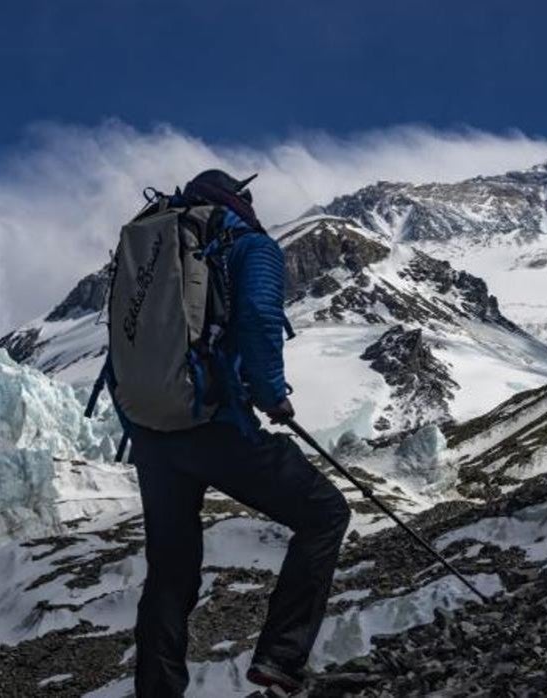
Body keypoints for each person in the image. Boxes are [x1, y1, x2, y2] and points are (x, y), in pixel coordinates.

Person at [129, 170, 351, 696]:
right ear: (236, 199)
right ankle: (281, 657)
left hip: (152, 434)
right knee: (324, 513)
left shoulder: (152, 244)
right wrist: (272, 393)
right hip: (216, 424)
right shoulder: (248, 244)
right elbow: (256, 315)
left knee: (170, 571)